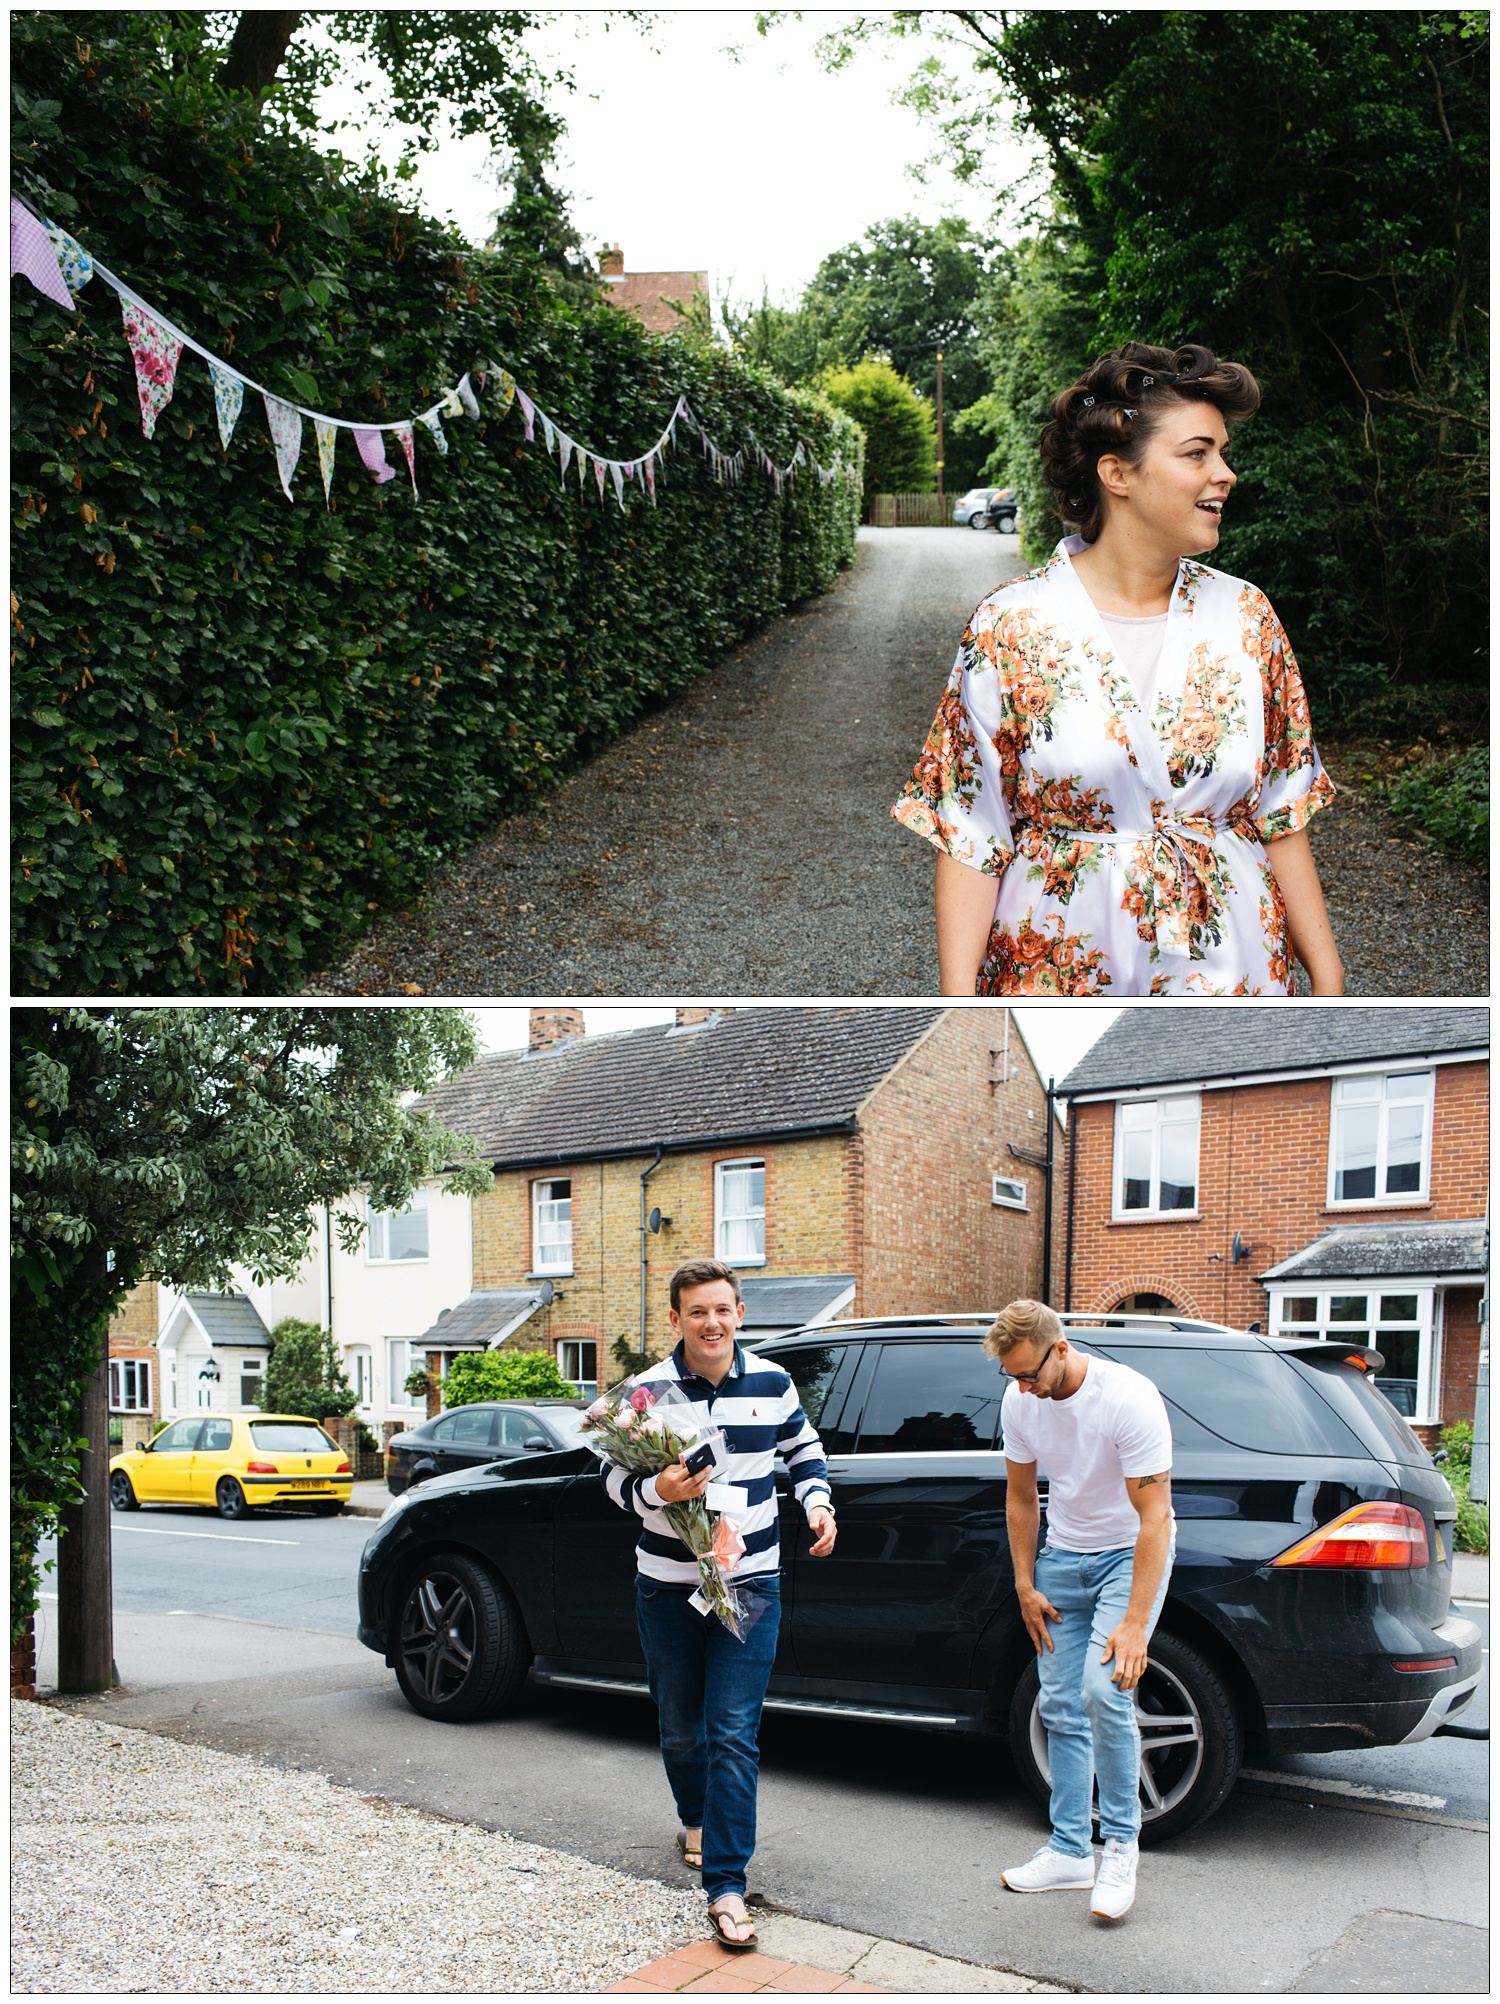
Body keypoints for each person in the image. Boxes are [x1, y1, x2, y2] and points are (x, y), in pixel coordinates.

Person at [892, 340, 1343, 997]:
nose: (1225, 473)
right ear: (1118, 474)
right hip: (1059, 972)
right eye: (1197, 453)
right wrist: (963, 1007)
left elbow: (1281, 811)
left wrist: (1329, 981)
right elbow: (970, 831)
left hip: (1233, 971)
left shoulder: (1248, 618)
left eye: (1223, 452)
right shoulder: (1010, 627)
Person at [602, 1258, 837, 1951]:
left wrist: (818, 1503)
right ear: (675, 1319)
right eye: (697, 1311)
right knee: (681, 1727)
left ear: (740, 1314)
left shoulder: (773, 1381)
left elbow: (803, 1448)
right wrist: (658, 1495)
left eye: (723, 1309)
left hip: (751, 1582)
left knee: (733, 1732)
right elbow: (611, 1483)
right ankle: (695, 1818)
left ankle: (727, 1886)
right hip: (667, 1587)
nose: (712, 1323)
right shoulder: (643, 1394)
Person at [987, 1300, 1175, 1923]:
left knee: (1104, 1690)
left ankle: (1121, 1845)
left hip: (1130, 1554)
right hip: (1064, 1557)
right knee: (1060, 1702)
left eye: (1030, 1374)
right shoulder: (1022, 1401)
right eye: (1012, 1377)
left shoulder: (1128, 1398)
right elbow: (1020, 1498)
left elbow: (1155, 1519)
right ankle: (1070, 1850)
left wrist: (1134, 1622)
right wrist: (1024, 1581)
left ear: (1060, 1349)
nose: (1023, 1388)